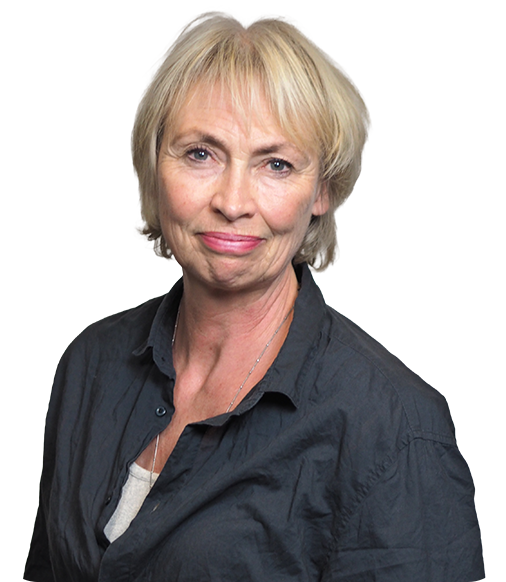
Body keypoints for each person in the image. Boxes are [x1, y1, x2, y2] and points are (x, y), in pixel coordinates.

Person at [24, 9, 485, 582]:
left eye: (276, 164)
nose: (233, 201)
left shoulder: (393, 429)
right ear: (154, 164)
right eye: (201, 154)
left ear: (323, 190)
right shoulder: (90, 364)